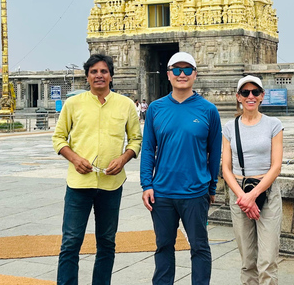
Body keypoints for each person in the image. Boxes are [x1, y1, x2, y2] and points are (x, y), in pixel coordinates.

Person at [53, 53, 142, 285]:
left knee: (106, 242)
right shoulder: (73, 104)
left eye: (104, 71)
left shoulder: (125, 105)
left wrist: (123, 159)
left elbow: (135, 140)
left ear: (111, 76)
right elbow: (59, 139)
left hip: (111, 185)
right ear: (87, 77)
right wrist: (74, 158)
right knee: (71, 241)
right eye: (94, 72)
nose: (99, 76)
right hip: (79, 184)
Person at [140, 51, 222, 285]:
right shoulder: (156, 109)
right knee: (164, 246)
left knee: (199, 247)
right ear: (168, 75)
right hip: (162, 193)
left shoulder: (208, 110)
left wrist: (212, 187)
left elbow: (214, 153)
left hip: (195, 192)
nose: (182, 74)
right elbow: (148, 149)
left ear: (195, 74)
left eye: (187, 70)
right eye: (176, 70)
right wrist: (147, 183)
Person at [221, 75, 283, 285]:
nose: (250, 96)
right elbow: (226, 168)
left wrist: (253, 196)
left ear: (262, 96)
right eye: (245, 92)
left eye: (255, 92)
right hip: (239, 192)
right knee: (248, 260)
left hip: (267, 191)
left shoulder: (274, 124)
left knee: (267, 260)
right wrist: (243, 197)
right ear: (238, 97)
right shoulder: (230, 127)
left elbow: (276, 166)